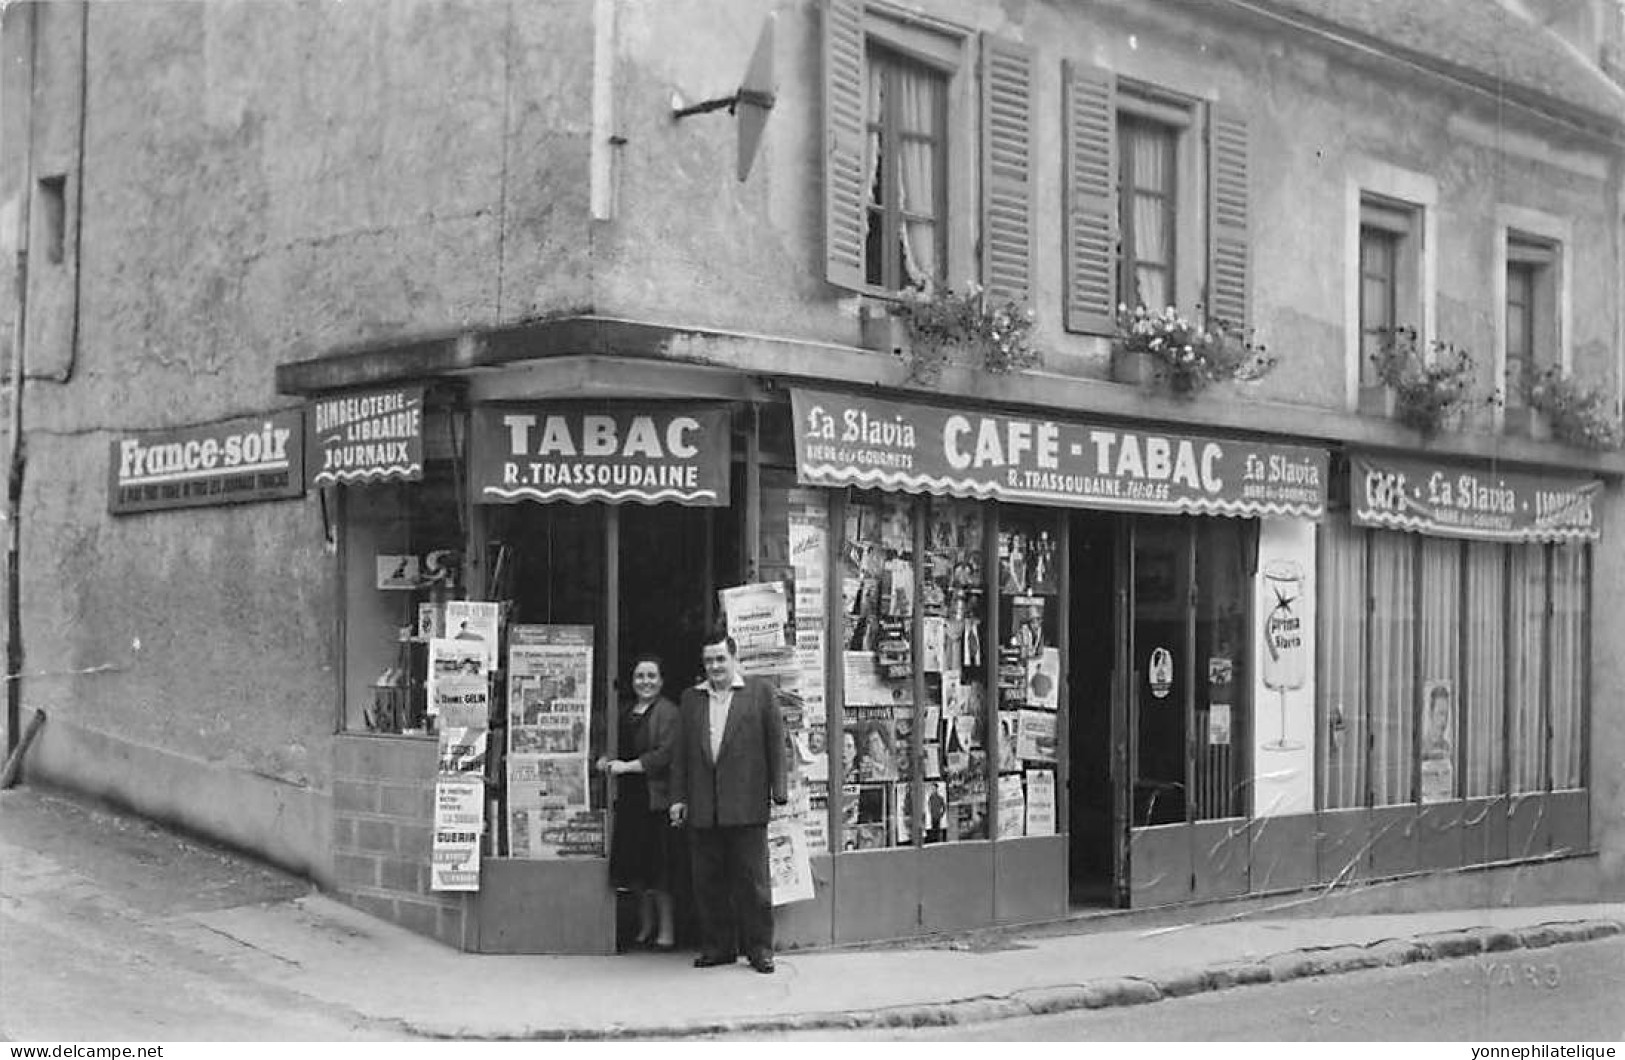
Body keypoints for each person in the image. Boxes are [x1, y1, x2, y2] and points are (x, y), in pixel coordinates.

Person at [669, 632, 787, 973]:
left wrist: (779, 789)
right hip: (704, 805)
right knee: (709, 882)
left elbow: (776, 744)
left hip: (747, 802)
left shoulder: (759, 693)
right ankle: (719, 947)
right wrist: (678, 798)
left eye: (720, 659)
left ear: (734, 659)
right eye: (708, 661)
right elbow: (681, 754)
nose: (715, 666)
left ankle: (760, 950)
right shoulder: (691, 699)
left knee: (753, 884)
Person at [598, 654, 680, 950]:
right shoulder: (625, 710)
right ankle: (645, 927)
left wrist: (627, 766)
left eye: (651, 676)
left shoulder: (668, 712)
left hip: (655, 800)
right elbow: (617, 747)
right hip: (631, 799)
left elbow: (665, 755)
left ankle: (667, 930)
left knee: (660, 869)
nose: (645, 682)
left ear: (661, 680)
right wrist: (607, 759)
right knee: (638, 871)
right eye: (640, 676)